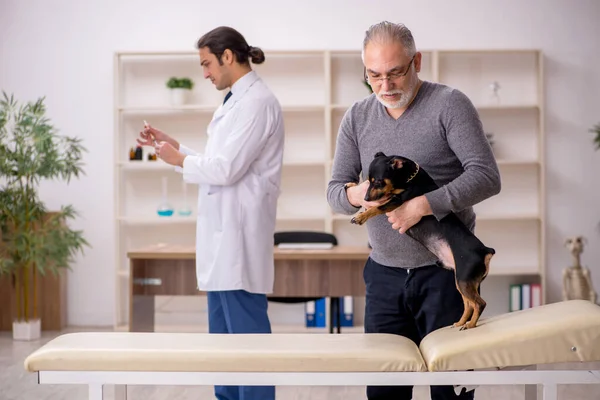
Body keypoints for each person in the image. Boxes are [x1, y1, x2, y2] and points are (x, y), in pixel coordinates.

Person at [326, 21, 501, 400]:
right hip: (383, 278)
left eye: (395, 73)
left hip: (443, 277)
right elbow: (334, 192)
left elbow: (487, 177)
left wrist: (421, 205)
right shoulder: (357, 117)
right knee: (384, 394)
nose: (385, 87)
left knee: (451, 393)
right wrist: (358, 195)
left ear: (416, 61)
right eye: (374, 76)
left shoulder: (449, 105)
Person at [137, 26, 284, 400]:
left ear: (228, 57)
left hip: (239, 241)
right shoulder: (236, 101)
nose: (204, 73)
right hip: (223, 242)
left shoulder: (257, 102)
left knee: (248, 349)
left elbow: (225, 169)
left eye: (206, 64)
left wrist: (180, 158)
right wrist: (175, 147)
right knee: (223, 347)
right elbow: (218, 161)